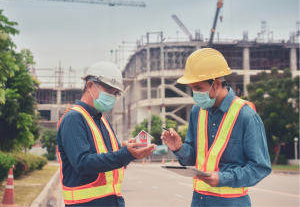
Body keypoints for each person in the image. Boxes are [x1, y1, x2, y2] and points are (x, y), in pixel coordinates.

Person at [161, 48, 271, 207]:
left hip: (232, 203)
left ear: (217, 83)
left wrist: (224, 178)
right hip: (199, 200)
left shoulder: (246, 116)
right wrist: (178, 147)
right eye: (192, 88)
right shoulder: (196, 111)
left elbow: (260, 167)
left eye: (198, 88)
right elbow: (193, 158)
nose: (194, 93)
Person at [56, 62, 156, 206]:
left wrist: (126, 152)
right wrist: (124, 154)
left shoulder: (104, 122)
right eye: (108, 90)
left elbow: (112, 164)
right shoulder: (73, 118)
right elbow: (82, 163)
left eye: (115, 93)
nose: (112, 96)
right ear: (90, 86)